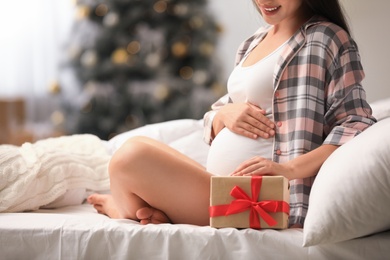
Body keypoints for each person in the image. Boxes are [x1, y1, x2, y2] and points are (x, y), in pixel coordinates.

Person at [87, 0, 376, 228]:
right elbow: (216, 115)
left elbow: (355, 123)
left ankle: (123, 209)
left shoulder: (327, 39)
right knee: (132, 151)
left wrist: (288, 170)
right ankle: (145, 210)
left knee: (131, 157)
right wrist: (225, 116)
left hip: (262, 198)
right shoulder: (254, 42)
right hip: (221, 185)